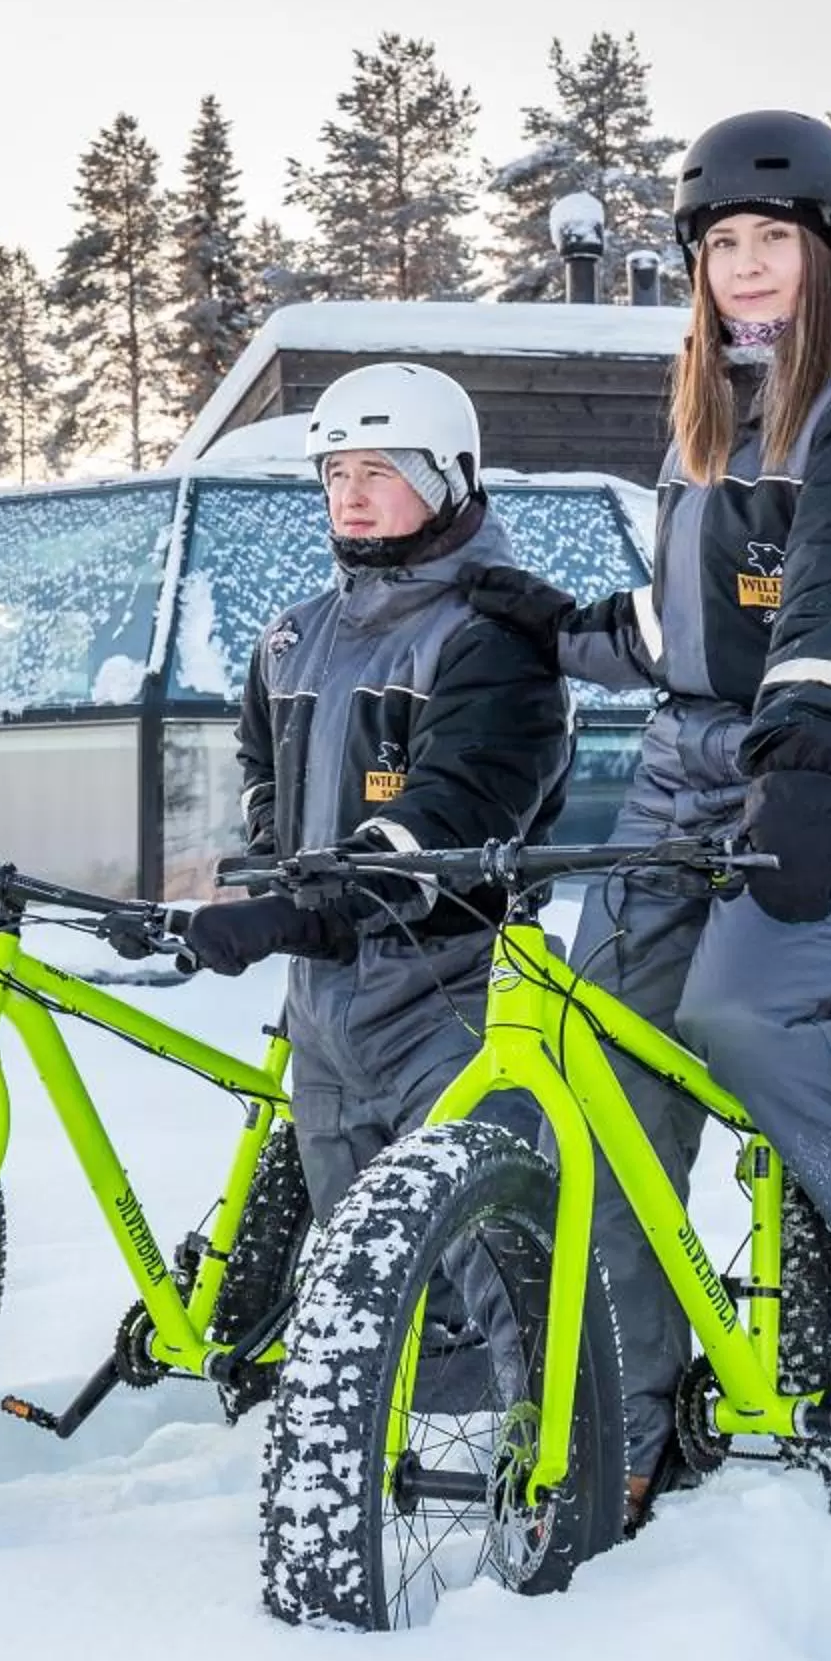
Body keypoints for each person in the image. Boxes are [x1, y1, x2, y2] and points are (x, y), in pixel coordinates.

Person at [464, 109, 831, 1521]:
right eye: (720, 246)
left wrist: (812, 759)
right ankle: (620, 1430)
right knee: (603, 1077)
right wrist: (557, 631)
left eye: (772, 241)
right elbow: (701, 625)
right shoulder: (722, 400)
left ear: (829, 248)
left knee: (751, 1005)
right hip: (696, 768)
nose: (745, 269)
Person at [183, 361, 572, 1219]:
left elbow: (457, 814)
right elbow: (262, 764)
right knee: (355, 1293)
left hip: (458, 998)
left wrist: (302, 908)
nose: (350, 497)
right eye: (336, 474)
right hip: (324, 1011)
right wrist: (271, 857)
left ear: (447, 481)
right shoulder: (293, 637)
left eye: (382, 472)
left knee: (486, 1269)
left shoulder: (495, 637)